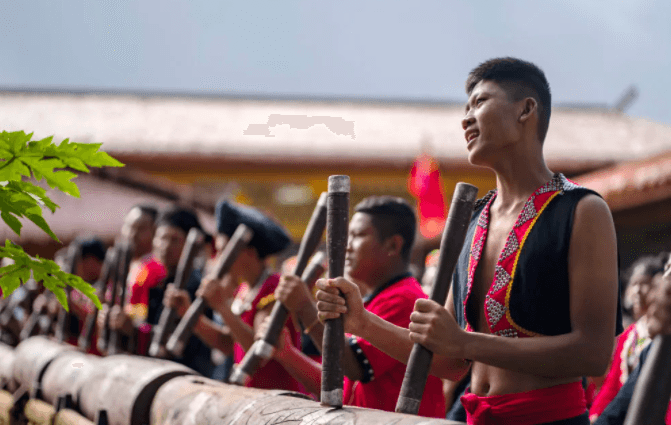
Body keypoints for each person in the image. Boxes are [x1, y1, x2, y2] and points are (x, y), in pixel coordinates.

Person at [316, 57, 622, 424]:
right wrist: (363, 322)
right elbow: (448, 361)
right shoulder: (471, 221)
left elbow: (593, 353)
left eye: (480, 102)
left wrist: (466, 343)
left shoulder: (582, 210)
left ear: (526, 110)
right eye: (465, 108)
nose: (465, 119)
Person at [267, 196, 446, 417]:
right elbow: (337, 386)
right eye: (347, 235)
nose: (346, 246)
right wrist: (287, 353)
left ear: (393, 245)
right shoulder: (375, 298)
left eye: (358, 235)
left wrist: (305, 307)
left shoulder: (404, 299)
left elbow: (354, 365)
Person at [163, 200, 301, 390]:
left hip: (276, 400)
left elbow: (260, 354)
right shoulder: (245, 289)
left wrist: (222, 308)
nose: (218, 259)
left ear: (250, 252)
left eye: (223, 251)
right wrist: (188, 313)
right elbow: (228, 343)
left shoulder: (274, 289)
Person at [104, 206, 215, 376]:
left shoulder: (196, 286)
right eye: (161, 237)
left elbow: (183, 344)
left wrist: (133, 330)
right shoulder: (157, 281)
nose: (165, 246)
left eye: (174, 240)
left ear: (190, 245)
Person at [589, 254, 665, 421]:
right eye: (634, 284)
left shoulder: (662, 336)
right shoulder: (629, 335)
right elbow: (613, 387)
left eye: (644, 284)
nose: (637, 291)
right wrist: (596, 415)